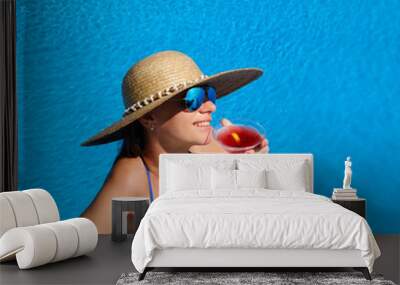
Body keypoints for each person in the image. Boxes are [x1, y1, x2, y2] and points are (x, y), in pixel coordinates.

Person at [80, 50, 269, 233]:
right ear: (149, 118)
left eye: (209, 94)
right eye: (192, 99)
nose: (211, 106)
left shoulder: (214, 146)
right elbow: (86, 241)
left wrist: (252, 167)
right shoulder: (134, 178)